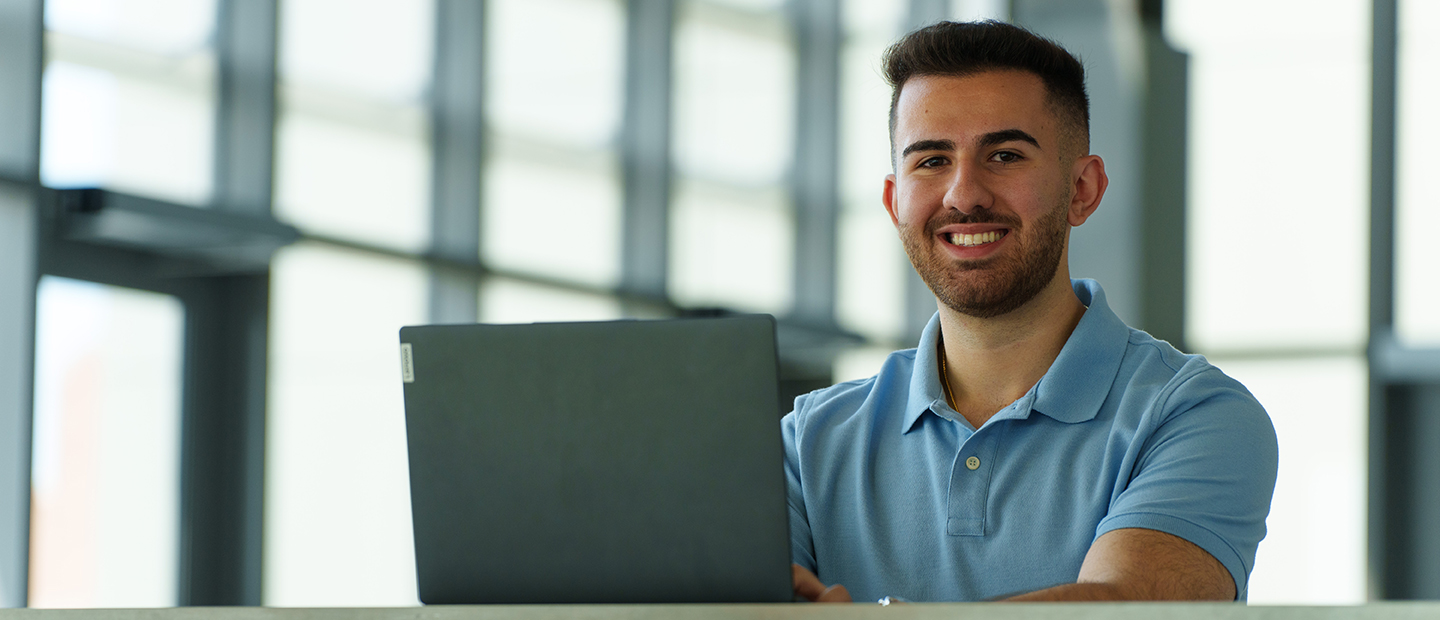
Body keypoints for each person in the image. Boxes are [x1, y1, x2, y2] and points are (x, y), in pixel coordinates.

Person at [784, 20, 1278, 603]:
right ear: (895, 202)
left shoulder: (1194, 416)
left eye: (1005, 154)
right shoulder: (807, 440)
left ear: (1082, 190)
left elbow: (1123, 608)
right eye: (931, 161)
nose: (964, 195)